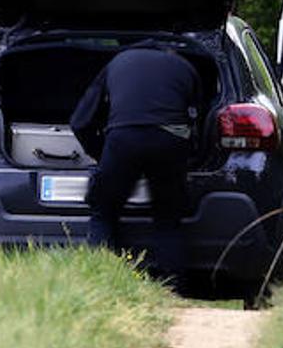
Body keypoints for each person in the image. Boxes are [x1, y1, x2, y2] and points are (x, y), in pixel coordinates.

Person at [69, 41, 201, 288]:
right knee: (167, 217)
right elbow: (198, 119)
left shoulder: (117, 62)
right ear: (168, 52)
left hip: (123, 139)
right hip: (170, 141)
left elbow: (80, 121)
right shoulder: (185, 66)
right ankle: (172, 288)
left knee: (103, 211)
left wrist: (101, 155)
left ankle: (99, 283)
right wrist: (191, 158)